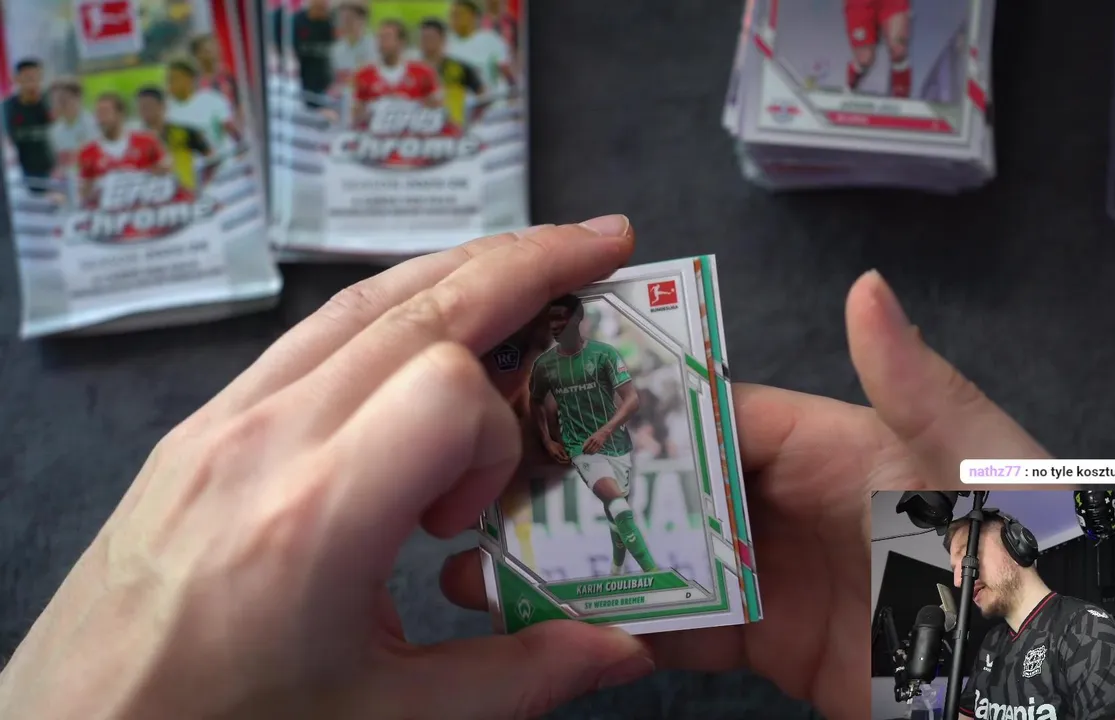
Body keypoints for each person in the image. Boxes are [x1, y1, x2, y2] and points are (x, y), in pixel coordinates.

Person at [0, 217, 1054, 720]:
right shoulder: (545, 375)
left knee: (622, 498)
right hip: (568, 455)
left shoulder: (595, 357)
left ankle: (639, 544)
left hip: (607, 444)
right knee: (605, 509)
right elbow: (544, 405)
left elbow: (625, 392)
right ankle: (638, 546)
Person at [945, 514, 1115, 720]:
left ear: (1015, 548)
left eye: (967, 556)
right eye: (954, 569)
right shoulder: (992, 641)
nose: (958, 581)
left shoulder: (1086, 627)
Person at [530, 295, 652, 576]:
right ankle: (653, 572)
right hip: (581, 447)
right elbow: (535, 401)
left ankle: (617, 568)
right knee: (618, 506)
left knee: (617, 511)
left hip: (616, 442)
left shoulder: (604, 354)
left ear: (578, 319)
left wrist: (605, 431)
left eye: (561, 318)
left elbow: (632, 399)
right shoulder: (545, 365)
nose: (555, 325)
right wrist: (548, 439)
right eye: (551, 320)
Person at [77, 93, 168, 206]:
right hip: (109, 211)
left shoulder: (147, 141)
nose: (101, 118)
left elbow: (165, 172)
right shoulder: (88, 152)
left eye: (106, 112)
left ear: (120, 114)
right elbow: (84, 192)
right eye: (98, 113)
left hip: (144, 207)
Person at [352, 20, 442, 129]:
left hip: (412, 133)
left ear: (401, 42)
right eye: (380, 38)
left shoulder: (422, 73)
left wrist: (409, 108)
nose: (382, 42)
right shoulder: (364, 75)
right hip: (375, 134)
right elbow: (355, 113)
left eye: (387, 37)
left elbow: (436, 107)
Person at [136, 86, 214, 192]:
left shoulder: (185, 132)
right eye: (141, 107)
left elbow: (211, 158)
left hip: (186, 192)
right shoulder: (135, 141)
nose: (145, 111)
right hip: (152, 194)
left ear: (162, 106)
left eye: (148, 106)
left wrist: (205, 184)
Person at [3, 58, 55, 195]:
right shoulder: (8, 108)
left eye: (36, 77)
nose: (33, 82)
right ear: (17, 79)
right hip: (24, 174)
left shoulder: (51, 103)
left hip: (55, 171)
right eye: (28, 78)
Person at [419, 18, 486, 127]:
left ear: (443, 39)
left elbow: (483, 95)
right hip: (422, 129)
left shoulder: (459, 68)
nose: (426, 42)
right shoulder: (412, 70)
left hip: (454, 129)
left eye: (430, 37)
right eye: (423, 38)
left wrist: (474, 119)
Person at [165, 59, 237, 155]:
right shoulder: (166, 112)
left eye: (175, 78)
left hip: (222, 159)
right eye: (169, 80)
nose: (170, 83)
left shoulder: (212, 99)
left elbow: (230, 129)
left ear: (190, 78)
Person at [844, 0, 912, 98]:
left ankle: (902, 100)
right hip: (860, 3)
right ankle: (849, 89)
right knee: (864, 58)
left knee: (898, 49)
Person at [447, 0, 513, 94]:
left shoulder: (491, 39)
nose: (455, 19)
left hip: (487, 98)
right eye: (452, 15)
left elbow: (506, 72)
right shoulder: (445, 44)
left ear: (473, 16)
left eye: (460, 14)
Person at [293, 0, 335, 111]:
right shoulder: (299, 20)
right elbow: (295, 48)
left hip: (327, 79)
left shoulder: (331, 21)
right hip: (305, 76)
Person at [191, 34, 240, 111]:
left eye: (215, 49)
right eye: (207, 51)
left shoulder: (228, 75)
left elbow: (240, 102)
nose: (213, 54)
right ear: (198, 55)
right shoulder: (195, 83)